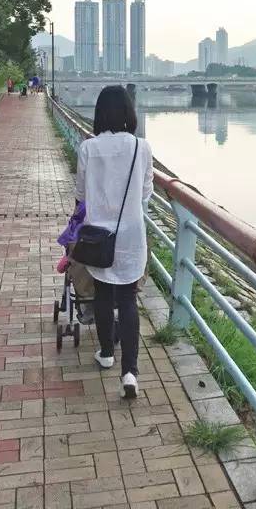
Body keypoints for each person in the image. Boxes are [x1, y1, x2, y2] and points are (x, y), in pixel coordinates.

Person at [75, 85, 153, 398]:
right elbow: (146, 193)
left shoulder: (88, 148)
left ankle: (107, 353)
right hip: (132, 236)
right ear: (128, 113)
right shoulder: (141, 147)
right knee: (128, 298)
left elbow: (81, 194)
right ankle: (130, 373)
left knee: (104, 294)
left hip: (98, 237)